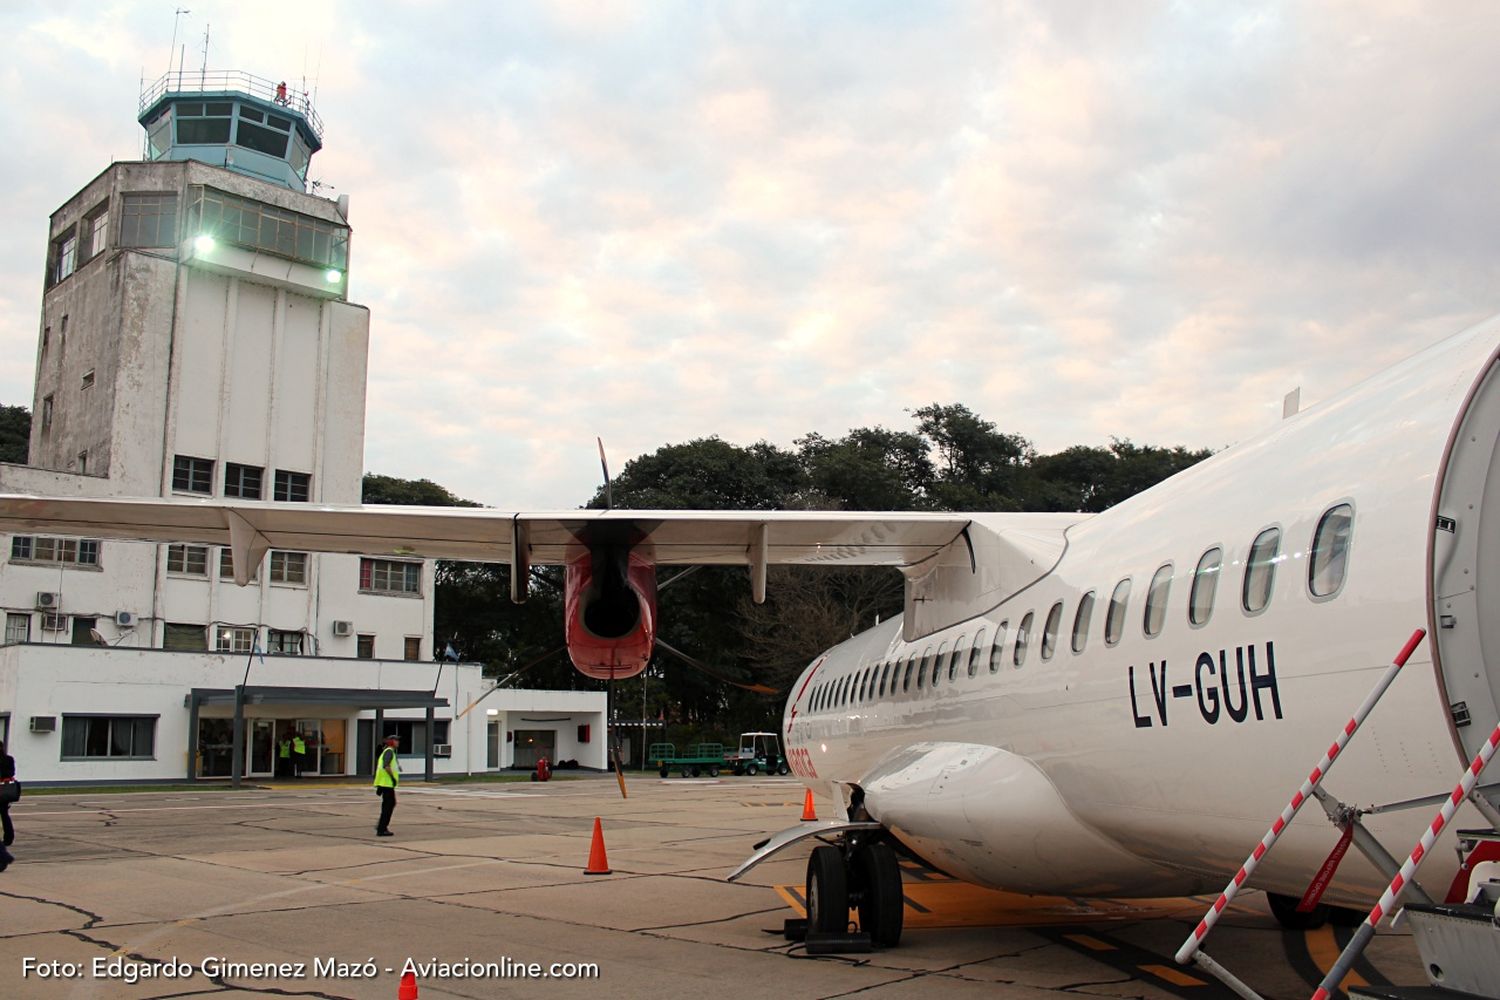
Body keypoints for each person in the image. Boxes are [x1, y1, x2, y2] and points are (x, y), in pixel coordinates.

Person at [373, 733, 400, 836]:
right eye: (396, 740)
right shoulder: (389, 752)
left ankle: (381, 825)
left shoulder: (387, 751)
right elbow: (386, 766)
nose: (398, 742)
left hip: (384, 784)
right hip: (387, 783)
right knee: (388, 806)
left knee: (390, 804)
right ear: (391, 742)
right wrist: (392, 777)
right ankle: (382, 828)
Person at [1, 739, 16, 872]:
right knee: (5, 815)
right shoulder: (9, 759)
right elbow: (11, 773)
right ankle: (8, 836)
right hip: (5, 792)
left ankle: (3, 855)